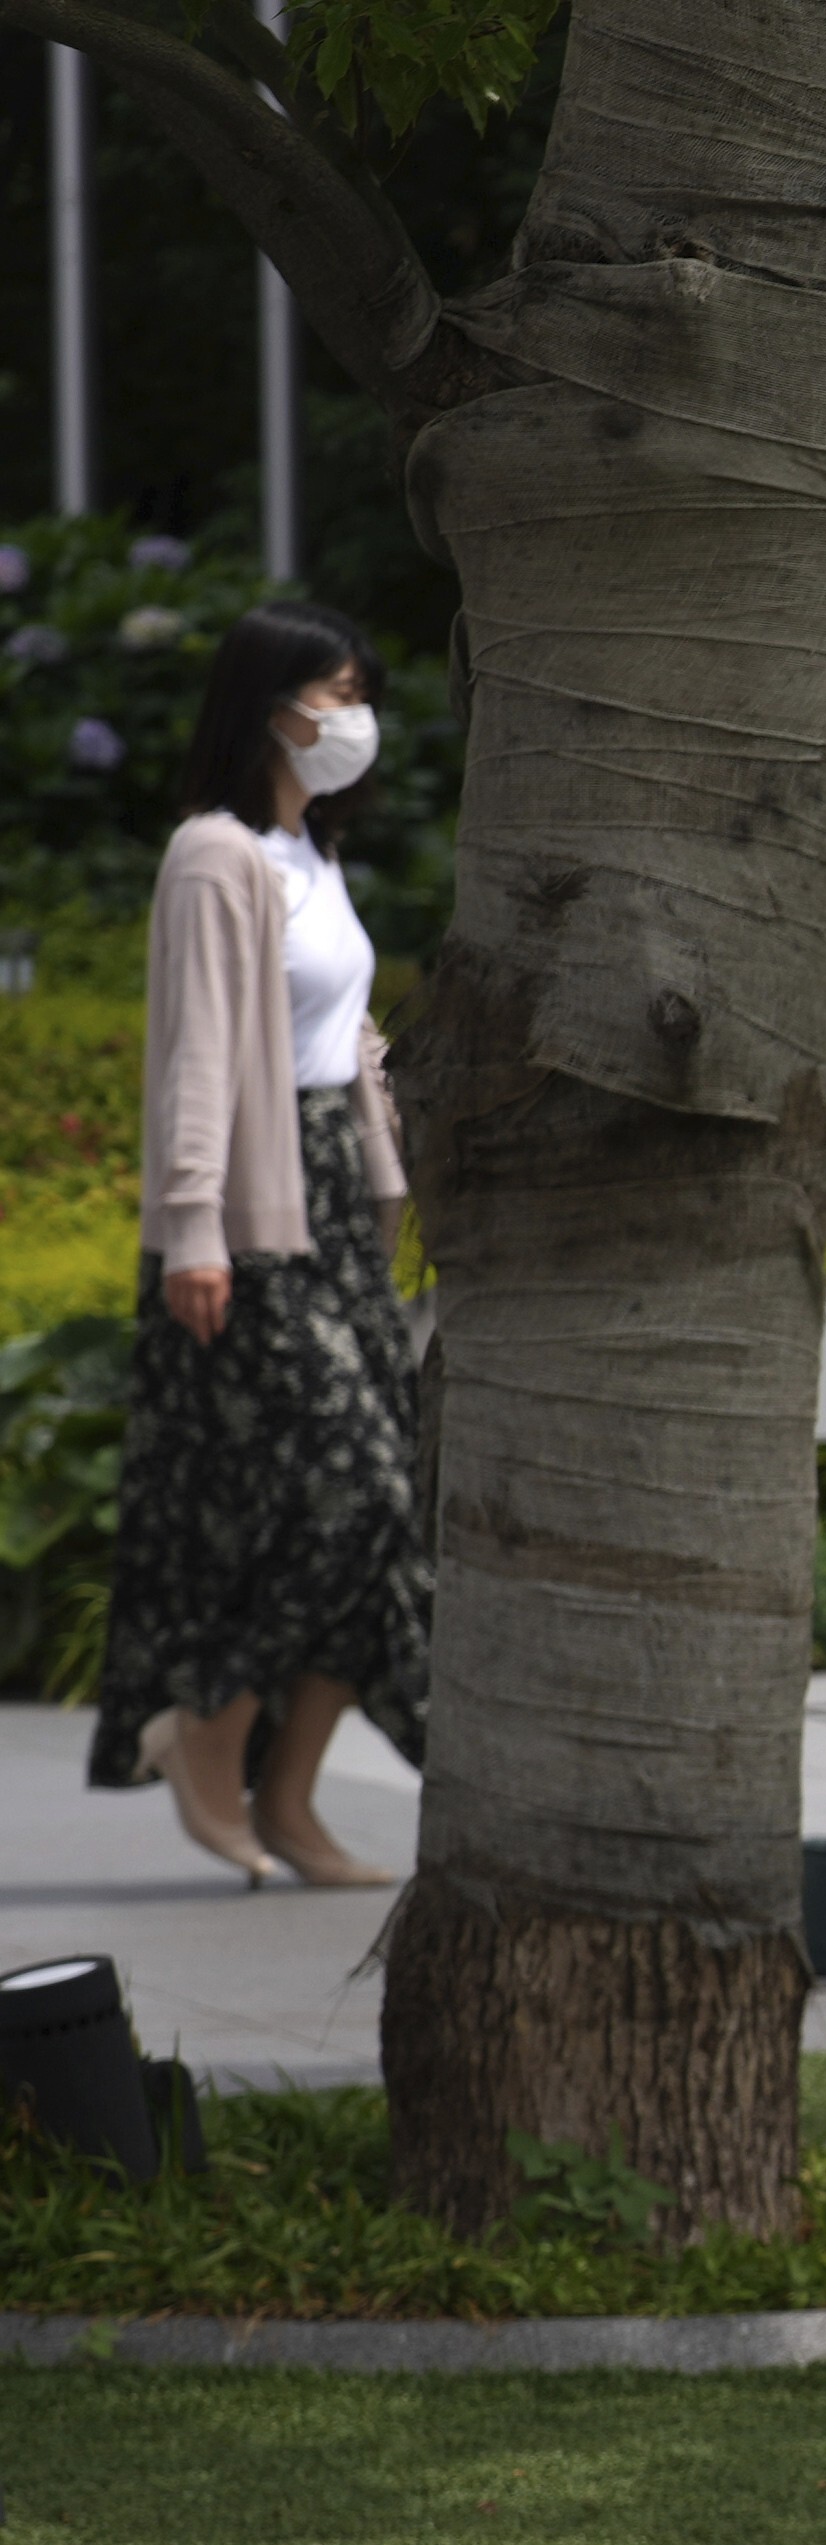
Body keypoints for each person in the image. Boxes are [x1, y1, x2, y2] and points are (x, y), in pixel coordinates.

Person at [88, 598, 430, 1887]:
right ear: (267, 707)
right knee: (344, 1488)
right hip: (250, 1215)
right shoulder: (212, 853)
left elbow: (342, 1044)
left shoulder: (314, 856)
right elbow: (196, 1056)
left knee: (383, 1514)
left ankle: (286, 1801)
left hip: (337, 1209)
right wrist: (191, 1230)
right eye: (330, 695)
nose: (351, 720)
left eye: (357, 692)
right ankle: (205, 1735)